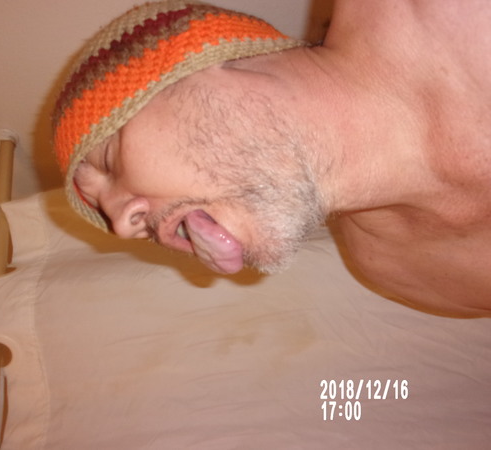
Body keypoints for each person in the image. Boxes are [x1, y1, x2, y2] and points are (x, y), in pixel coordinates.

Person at [52, 0, 491, 317]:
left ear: (205, 53)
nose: (123, 226)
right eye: (107, 212)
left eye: (108, 158)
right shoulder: (398, 272)